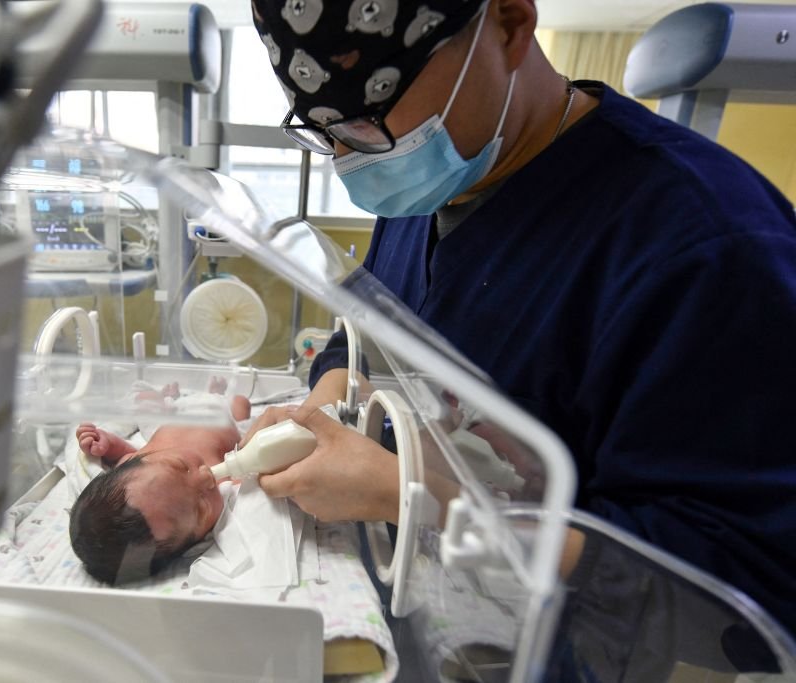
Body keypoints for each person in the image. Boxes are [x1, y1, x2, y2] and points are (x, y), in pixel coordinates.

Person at [247, 0, 796, 640]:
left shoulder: (708, 247)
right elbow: (368, 331)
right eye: (324, 130)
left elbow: (746, 590)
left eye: (369, 120)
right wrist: (328, 401)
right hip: (429, 615)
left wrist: (414, 496)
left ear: (508, 25)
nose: (351, 158)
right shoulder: (432, 183)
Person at [68, 394, 250, 584]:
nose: (206, 477)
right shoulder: (226, 488)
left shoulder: (132, 463)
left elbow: (126, 452)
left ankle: (183, 393)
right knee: (240, 403)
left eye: (181, 466)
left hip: (181, 412)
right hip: (227, 418)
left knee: (144, 399)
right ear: (192, 545)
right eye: (201, 507)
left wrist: (107, 444)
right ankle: (224, 397)